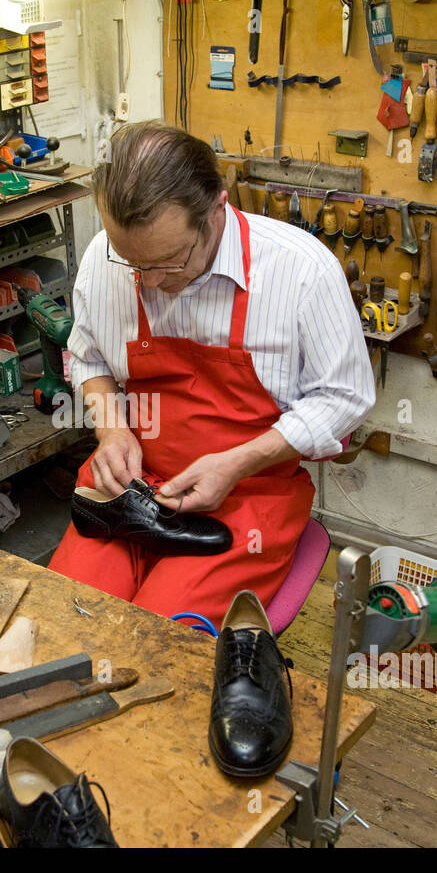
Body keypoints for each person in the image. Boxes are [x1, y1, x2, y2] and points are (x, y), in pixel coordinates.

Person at [47, 121, 375, 620]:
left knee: (155, 639)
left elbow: (345, 399)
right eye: (133, 262)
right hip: (130, 487)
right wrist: (111, 430)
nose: (150, 281)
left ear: (216, 209)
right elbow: (88, 356)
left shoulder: (301, 271)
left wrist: (237, 463)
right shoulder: (106, 258)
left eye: (169, 261)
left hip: (246, 494)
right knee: (68, 618)